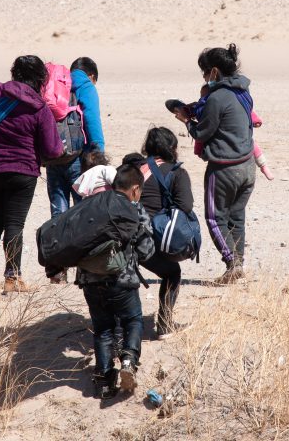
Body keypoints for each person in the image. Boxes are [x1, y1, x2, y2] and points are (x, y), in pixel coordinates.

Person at [0, 55, 64, 295]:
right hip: (23, 173)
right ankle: (12, 278)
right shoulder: (40, 108)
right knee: (14, 224)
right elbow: (53, 149)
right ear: (41, 78)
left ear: (13, 72)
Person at [172, 44, 255, 285]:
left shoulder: (217, 97)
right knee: (236, 216)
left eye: (205, 73)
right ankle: (239, 262)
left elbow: (202, 132)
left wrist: (186, 119)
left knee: (214, 217)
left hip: (224, 167)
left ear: (214, 72)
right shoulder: (243, 91)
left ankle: (232, 263)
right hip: (248, 165)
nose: (205, 78)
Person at [74, 164, 154, 399]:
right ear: (136, 189)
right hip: (122, 280)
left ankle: (104, 381)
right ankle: (128, 360)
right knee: (133, 320)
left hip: (89, 280)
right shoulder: (134, 208)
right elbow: (147, 249)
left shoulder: (89, 205)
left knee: (102, 329)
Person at [126, 127, 193, 338]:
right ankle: (165, 324)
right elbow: (186, 205)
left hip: (119, 233)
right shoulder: (176, 172)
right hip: (146, 238)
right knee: (172, 272)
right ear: (172, 148)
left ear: (147, 148)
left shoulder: (130, 169)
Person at [46, 56, 105, 283]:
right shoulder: (85, 86)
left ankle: (57, 271)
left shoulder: (54, 86)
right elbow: (91, 118)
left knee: (58, 214)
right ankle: (84, 268)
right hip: (76, 159)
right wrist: (98, 153)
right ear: (91, 75)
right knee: (84, 215)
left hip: (53, 158)